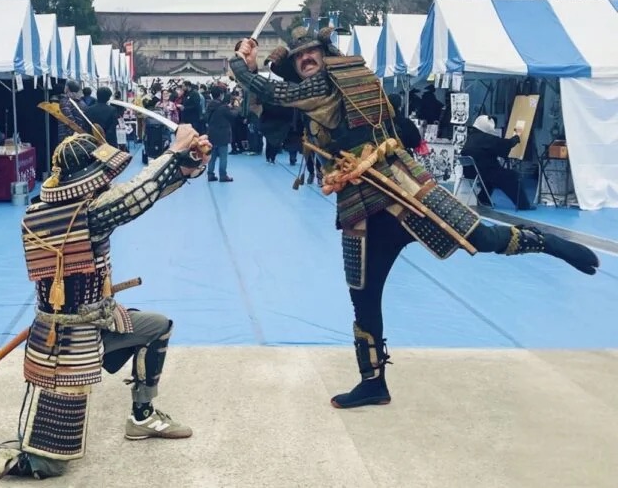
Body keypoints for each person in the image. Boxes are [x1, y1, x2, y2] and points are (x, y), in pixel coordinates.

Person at [229, 27, 599, 409]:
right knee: (363, 296)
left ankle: (546, 242)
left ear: (325, 56)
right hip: (360, 205)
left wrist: (239, 66)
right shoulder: (331, 87)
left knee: (481, 238)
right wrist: (259, 70)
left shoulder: (327, 81)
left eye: (311, 53)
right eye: (299, 57)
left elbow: (279, 93)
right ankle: (373, 383)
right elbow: (280, 109)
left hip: (402, 189)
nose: (306, 60)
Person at [0, 123, 212, 480]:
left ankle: (142, 416)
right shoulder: (77, 216)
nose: (108, 181)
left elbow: (142, 195)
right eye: (102, 175)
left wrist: (186, 164)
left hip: (97, 322)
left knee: (157, 327)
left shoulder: (75, 208)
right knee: (45, 464)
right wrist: (174, 152)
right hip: (63, 347)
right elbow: (131, 199)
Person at [460, 115, 533, 209]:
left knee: (492, 176)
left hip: (470, 172)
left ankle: (483, 199)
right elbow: (504, 145)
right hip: (484, 172)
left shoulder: (471, 137)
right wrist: (516, 137)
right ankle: (523, 205)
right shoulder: (485, 138)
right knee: (512, 175)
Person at [205, 85, 237, 182]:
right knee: (223, 156)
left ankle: (210, 174)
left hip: (211, 133)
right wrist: (235, 108)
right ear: (220, 95)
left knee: (212, 156)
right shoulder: (223, 107)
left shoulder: (209, 106)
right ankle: (223, 175)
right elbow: (233, 117)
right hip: (223, 134)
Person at [57, 80, 87, 144]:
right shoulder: (82, 102)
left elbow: (69, 121)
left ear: (67, 88)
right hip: (80, 136)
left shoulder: (65, 102)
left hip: (69, 138)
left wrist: (72, 136)